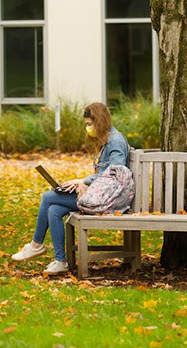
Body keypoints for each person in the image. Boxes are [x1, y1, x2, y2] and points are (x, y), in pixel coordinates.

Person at [12, 102, 129, 275]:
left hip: (110, 200)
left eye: (90, 124)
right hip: (99, 194)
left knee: (47, 197)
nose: (88, 128)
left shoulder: (116, 141)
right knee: (54, 209)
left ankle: (36, 245)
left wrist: (84, 181)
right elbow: (104, 175)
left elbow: (115, 175)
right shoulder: (105, 141)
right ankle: (60, 261)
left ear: (101, 121)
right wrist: (84, 184)